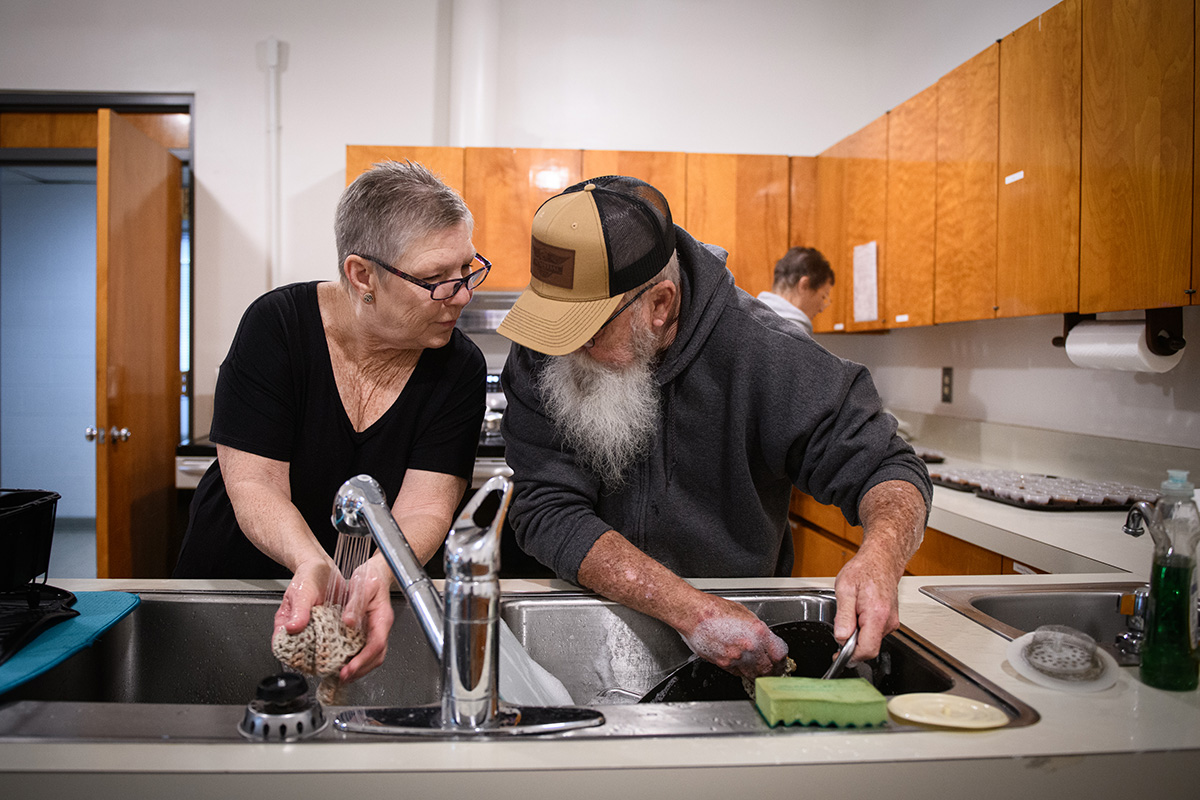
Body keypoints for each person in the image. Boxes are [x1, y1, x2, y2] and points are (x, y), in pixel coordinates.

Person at [496, 176, 929, 679]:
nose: (563, 350)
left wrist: (881, 557)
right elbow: (546, 508)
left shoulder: (763, 352)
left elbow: (887, 466)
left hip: (740, 641)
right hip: (586, 620)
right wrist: (690, 610)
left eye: (587, 334)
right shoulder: (545, 350)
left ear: (660, 305)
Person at [174, 161, 489, 684]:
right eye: (435, 279)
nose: (461, 295)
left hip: (361, 597)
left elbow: (428, 506)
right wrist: (309, 563)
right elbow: (255, 484)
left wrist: (380, 574)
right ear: (362, 275)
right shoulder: (276, 326)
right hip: (240, 584)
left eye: (467, 269)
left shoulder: (459, 367)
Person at [756, 246, 834, 335]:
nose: (821, 309)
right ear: (804, 285)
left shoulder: (747, 320)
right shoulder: (794, 336)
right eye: (823, 296)